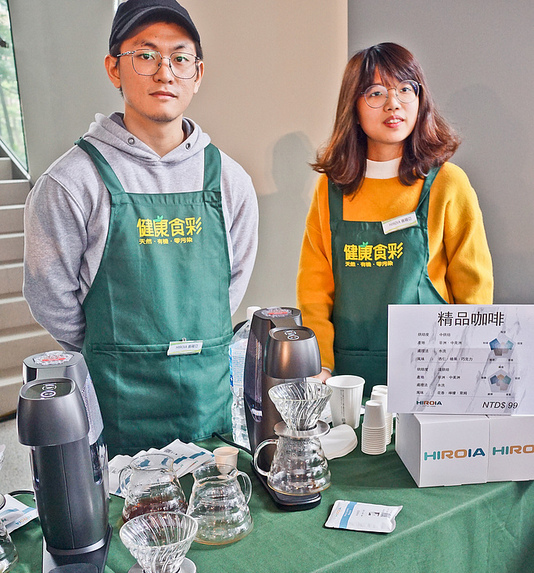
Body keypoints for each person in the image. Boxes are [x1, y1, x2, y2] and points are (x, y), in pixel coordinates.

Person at [23, 0, 258, 456]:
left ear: (197, 73)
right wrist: (119, 349)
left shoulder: (230, 181)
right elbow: (48, 295)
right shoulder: (71, 182)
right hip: (118, 406)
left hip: (207, 404)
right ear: (114, 68)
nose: (164, 72)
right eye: (145, 55)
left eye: (180, 58)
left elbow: (231, 286)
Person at [296, 42, 493, 388]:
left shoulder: (447, 183)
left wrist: (469, 372)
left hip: (434, 375)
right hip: (346, 378)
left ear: (420, 99)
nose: (393, 103)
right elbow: (314, 290)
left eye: (405, 89)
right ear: (353, 107)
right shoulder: (330, 188)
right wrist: (321, 366)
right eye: (376, 93)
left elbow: (473, 289)